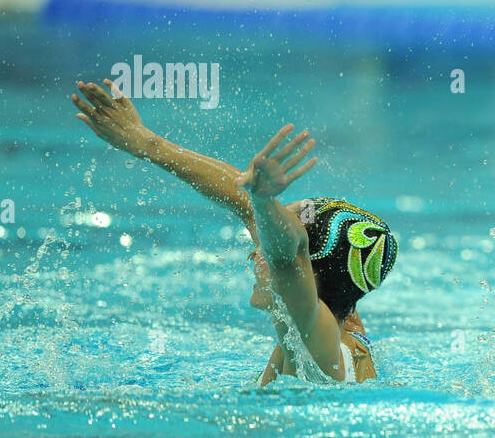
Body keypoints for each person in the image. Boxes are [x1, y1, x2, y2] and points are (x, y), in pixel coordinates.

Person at [70, 78, 396, 385]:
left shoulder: (318, 347)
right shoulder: (346, 317)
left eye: (267, 246)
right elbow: (246, 206)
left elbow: (289, 256)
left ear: (307, 273)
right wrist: (145, 142)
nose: (255, 251)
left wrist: (265, 202)